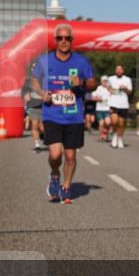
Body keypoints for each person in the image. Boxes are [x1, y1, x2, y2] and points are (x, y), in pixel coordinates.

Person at [31, 24, 95, 205]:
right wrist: (42, 93)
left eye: (67, 38)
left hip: (74, 115)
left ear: (72, 41)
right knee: (55, 155)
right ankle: (54, 174)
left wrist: (81, 82)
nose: (64, 41)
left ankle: (66, 187)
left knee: (71, 156)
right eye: (60, 38)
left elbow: (92, 83)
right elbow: (34, 79)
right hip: (52, 114)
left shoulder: (81, 62)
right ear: (55, 41)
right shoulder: (45, 61)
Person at [106, 64, 132, 149]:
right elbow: (108, 87)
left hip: (124, 104)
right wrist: (110, 90)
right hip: (113, 103)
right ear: (115, 71)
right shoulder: (111, 78)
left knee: (121, 124)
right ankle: (114, 135)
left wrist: (125, 88)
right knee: (114, 121)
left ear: (123, 71)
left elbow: (129, 92)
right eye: (117, 69)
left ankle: (120, 138)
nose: (119, 71)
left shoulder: (127, 79)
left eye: (120, 69)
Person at [26, 84, 44, 152]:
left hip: (44, 108)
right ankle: (37, 145)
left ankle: (43, 135)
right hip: (33, 108)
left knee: (42, 127)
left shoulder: (45, 83)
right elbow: (26, 97)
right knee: (34, 126)